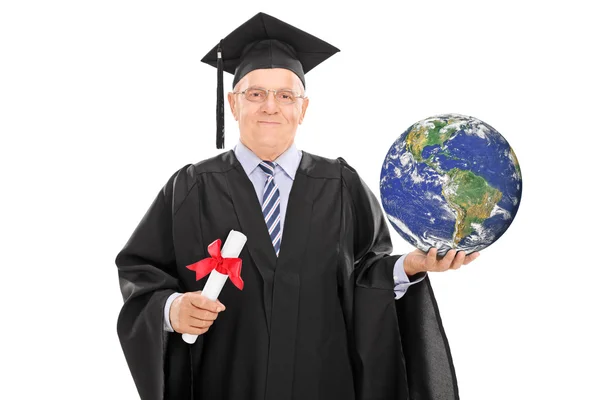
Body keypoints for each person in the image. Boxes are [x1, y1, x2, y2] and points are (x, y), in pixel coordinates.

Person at [115, 12, 479, 400]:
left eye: (285, 95)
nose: (270, 106)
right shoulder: (190, 187)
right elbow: (141, 269)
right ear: (233, 103)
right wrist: (171, 311)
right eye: (255, 94)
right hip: (226, 385)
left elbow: (365, 273)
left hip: (326, 385)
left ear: (303, 109)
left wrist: (411, 266)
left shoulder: (341, 185)